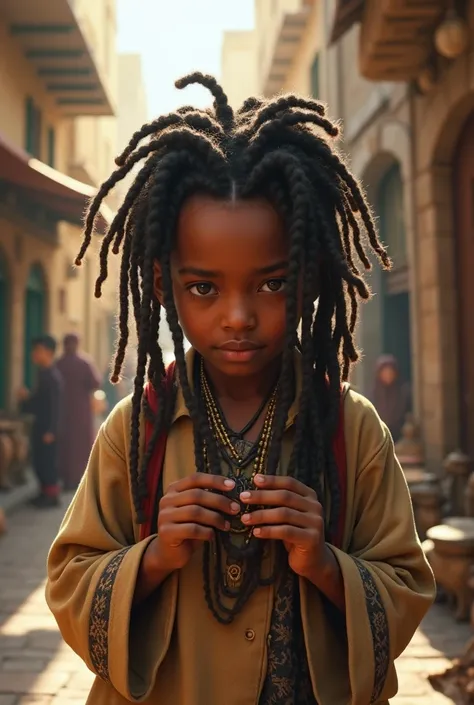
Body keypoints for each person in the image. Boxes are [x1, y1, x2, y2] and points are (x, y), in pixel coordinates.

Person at [46, 74, 435, 705]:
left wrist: (326, 564)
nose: (237, 316)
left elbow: (408, 587)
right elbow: (69, 582)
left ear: (309, 277)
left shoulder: (351, 426)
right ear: (163, 284)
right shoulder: (136, 426)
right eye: (205, 287)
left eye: (271, 284)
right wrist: (153, 556)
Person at [18, 335, 62, 508]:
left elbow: (56, 406)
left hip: (47, 429)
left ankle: (51, 496)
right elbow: (38, 402)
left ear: (48, 353)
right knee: (39, 461)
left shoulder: (52, 376)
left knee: (47, 463)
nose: (34, 355)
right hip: (41, 426)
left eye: (38, 351)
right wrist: (26, 399)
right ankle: (44, 493)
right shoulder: (43, 374)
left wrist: (52, 430)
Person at [55, 334, 101, 490]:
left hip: (64, 411)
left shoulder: (59, 363)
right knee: (79, 445)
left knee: (68, 445)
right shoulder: (84, 363)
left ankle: (68, 479)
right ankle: (79, 479)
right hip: (80, 412)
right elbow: (95, 382)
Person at [371, 354, 411, 443]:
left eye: (390, 372)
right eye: (385, 372)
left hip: (400, 437)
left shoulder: (404, 391)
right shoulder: (375, 392)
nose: (388, 375)